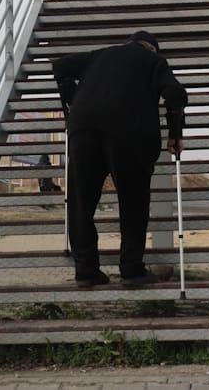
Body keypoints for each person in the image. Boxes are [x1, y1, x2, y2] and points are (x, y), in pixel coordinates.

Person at [54, 30, 188, 288]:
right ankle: (131, 269)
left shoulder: (100, 55)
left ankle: (86, 270)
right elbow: (175, 93)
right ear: (152, 48)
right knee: (133, 202)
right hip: (131, 133)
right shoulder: (153, 61)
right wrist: (175, 132)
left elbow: (61, 66)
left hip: (84, 129)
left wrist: (71, 102)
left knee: (81, 202)